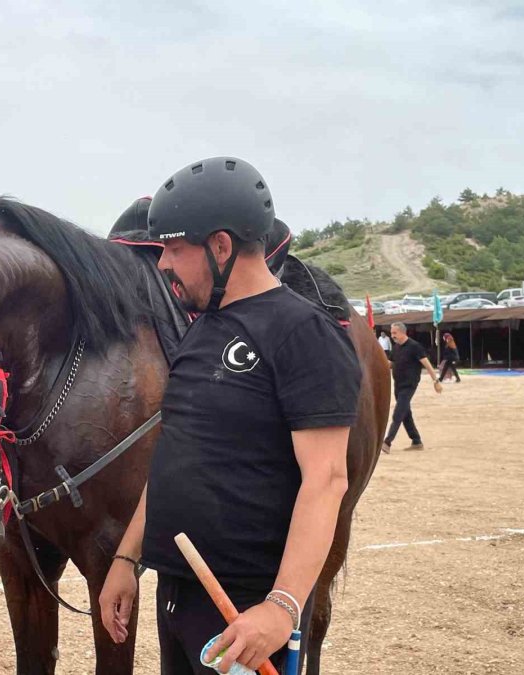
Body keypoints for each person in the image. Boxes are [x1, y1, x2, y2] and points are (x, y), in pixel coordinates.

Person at [99, 157, 362, 674]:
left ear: (220, 246)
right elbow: (175, 457)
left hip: (246, 609)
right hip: (180, 594)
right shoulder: (203, 329)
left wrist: (281, 608)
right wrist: (127, 560)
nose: (163, 265)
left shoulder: (304, 334)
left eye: (175, 248)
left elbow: (327, 479)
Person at [381, 322, 442, 454]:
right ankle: (416, 440)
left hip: (409, 386)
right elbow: (391, 363)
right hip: (398, 384)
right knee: (405, 414)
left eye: (394, 333)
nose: (392, 336)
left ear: (403, 332)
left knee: (398, 413)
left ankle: (387, 442)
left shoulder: (415, 346)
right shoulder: (396, 347)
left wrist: (436, 381)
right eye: (391, 333)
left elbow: (426, 364)